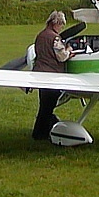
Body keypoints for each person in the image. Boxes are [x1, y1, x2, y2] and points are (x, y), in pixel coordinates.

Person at [31, 10, 73, 140]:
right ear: (56, 23)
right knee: (48, 107)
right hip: (52, 76)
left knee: (44, 105)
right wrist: (69, 50)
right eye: (61, 25)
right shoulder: (54, 38)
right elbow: (61, 56)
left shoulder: (40, 36)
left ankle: (40, 132)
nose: (61, 28)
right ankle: (40, 133)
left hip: (40, 75)